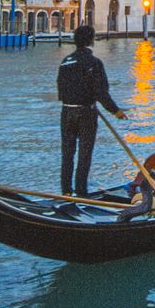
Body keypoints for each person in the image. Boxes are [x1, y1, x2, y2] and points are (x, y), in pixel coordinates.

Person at [57, 24, 124, 199]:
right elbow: (101, 92)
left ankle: (65, 191)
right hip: (86, 113)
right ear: (91, 40)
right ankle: (81, 192)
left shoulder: (65, 62)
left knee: (67, 153)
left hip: (66, 112)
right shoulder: (94, 63)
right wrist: (115, 111)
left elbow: (61, 91)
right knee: (84, 154)